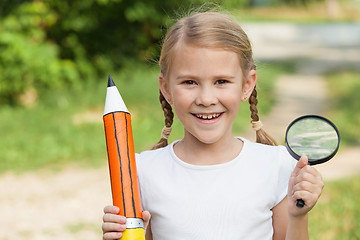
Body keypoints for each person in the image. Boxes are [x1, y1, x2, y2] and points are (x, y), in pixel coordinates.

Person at [102, 11, 324, 240]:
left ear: (247, 85)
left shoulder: (277, 166)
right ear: (166, 88)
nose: (206, 99)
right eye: (190, 82)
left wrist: (298, 215)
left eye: (221, 81)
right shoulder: (141, 172)